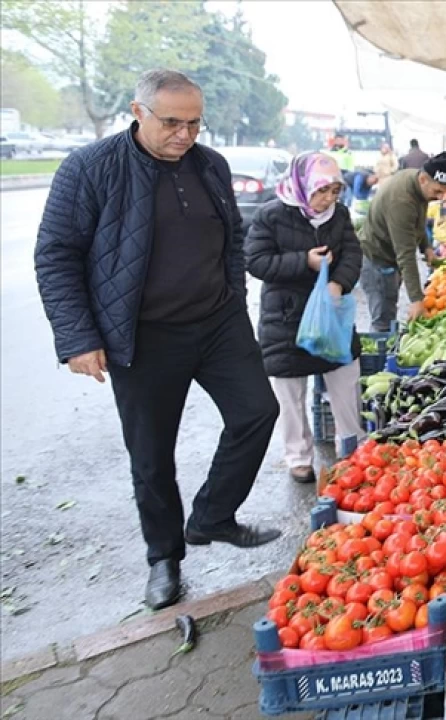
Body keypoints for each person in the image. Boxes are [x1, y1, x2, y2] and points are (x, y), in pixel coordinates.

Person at [34, 69, 281, 611]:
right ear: (138, 111)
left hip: (217, 323)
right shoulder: (90, 168)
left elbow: (232, 238)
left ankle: (213, 515)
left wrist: (233, 295)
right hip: (143, 336)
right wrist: (78, 337)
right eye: (172, 122)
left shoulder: (210, 164)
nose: (184, 134)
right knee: (151, 456)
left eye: (194, 123)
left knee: (258, 412)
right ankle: (164, 559)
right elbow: (56, 255)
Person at [245, 152, 365, 484]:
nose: (329, 198)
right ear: (303, 185)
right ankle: (298, 458)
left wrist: (338, 282)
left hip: (331, 315)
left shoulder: (339, 215)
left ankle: (351, 448)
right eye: (322, 190)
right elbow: (256, 261)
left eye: (335, 190)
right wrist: (304, 262)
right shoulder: (271, 214)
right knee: (290, 391)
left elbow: (353, 253)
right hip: (286, 316)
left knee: (345, 375)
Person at [360, 152, 446, 331]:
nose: (439, 198)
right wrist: (416, 300)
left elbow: (418, 221)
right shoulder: (402, 201)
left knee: (389, 310)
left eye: (444, 193)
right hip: (377, 259)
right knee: (383, 321)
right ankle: (380, 357)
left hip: (389, 258)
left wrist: (426, 247)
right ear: (423, 179)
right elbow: (405, 254)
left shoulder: (417, 183)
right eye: (437, 191)